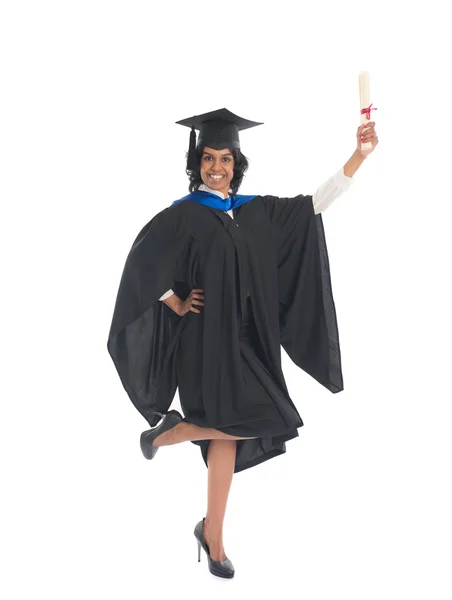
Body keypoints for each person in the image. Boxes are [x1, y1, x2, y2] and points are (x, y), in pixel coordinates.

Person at [106, 107, 378, 578]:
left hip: (249, 342)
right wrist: (173, 300)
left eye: (226, 158)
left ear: (237, 162)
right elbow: (139, 267)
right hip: (204, 342)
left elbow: (315, 204)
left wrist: (359, 154)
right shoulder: (183, 215)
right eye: (209, 158)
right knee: (231, 426)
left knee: (239, 425)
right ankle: (213, 534)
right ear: (198, 163)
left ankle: (177, 443)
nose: (217, 167)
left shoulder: (254, 211)